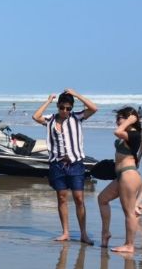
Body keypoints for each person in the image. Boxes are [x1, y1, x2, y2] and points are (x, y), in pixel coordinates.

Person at [32, 89, 98, 244]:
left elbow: (94, 108)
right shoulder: (51, 119)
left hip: (75, 164)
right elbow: (36, 116)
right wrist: (48, 100)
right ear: (58, 107)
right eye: (62, 107)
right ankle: (65, 232)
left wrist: (76, 95)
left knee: (79, 198)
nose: (65, 111)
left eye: (68, 108)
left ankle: (83, 233)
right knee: (61, 198)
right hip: (57, 164)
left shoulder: (76, 117)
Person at [97, 108, 142, 253]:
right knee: (102, 198)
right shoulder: (127, 134)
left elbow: (117, 132)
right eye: (117, 118)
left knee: (129, 212)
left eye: (121, 118)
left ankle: (129, 245)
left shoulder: (134, 134)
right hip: (121, 175)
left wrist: (130, 120)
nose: (118, 121)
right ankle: (106, 232)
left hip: (129, 175)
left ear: (131, 119)